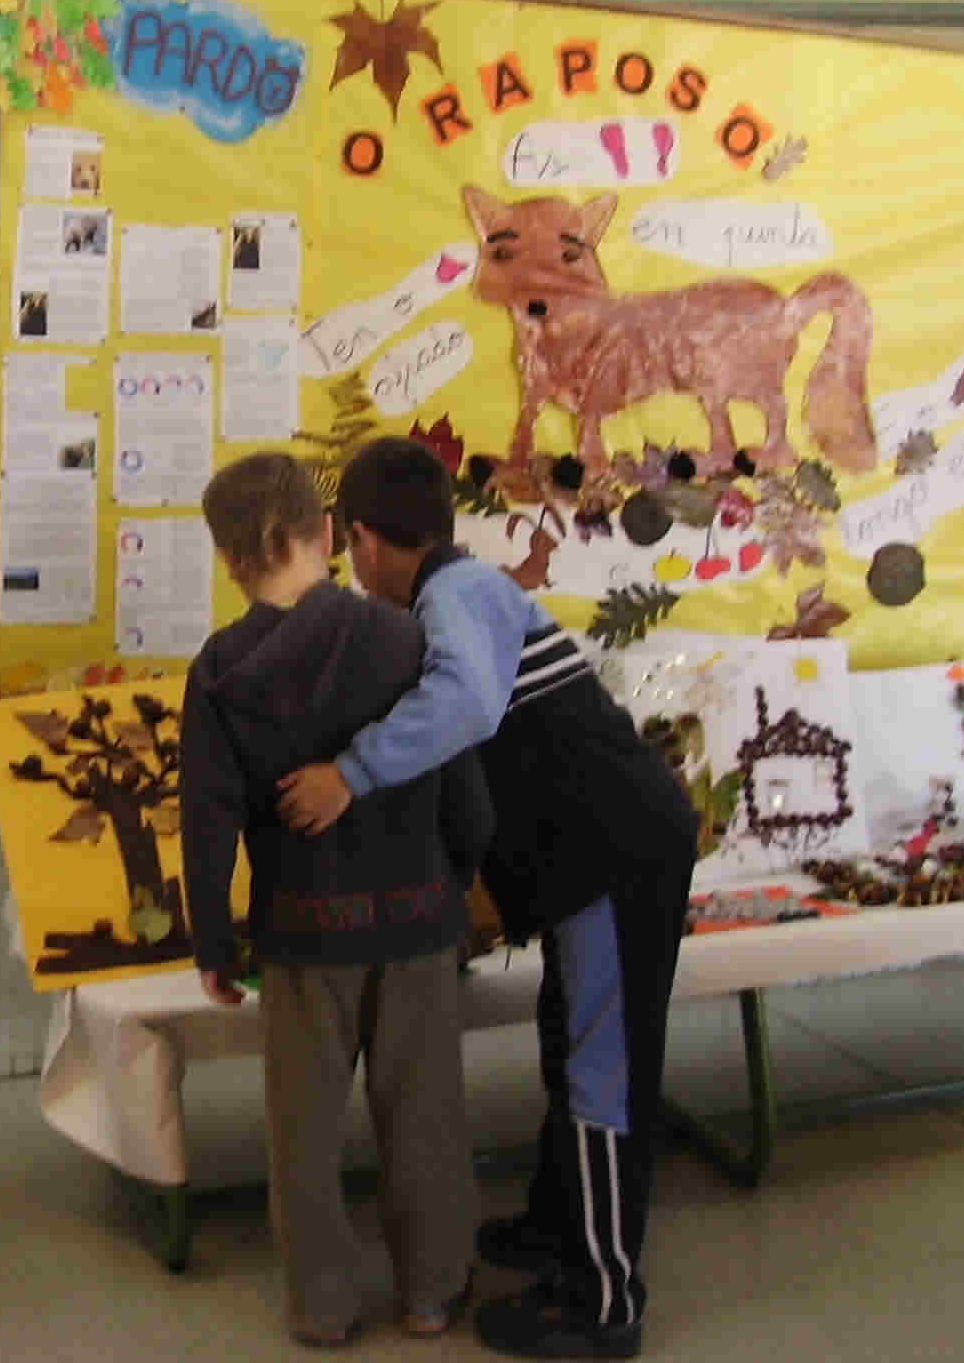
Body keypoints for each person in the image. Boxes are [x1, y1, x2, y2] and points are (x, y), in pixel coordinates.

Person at [279, 435, 698, 1360]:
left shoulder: (457, 593)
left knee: (601, 1068)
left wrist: (349, 774)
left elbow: (465, 707)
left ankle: (604, 1303)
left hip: (616, 855)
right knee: (568, 1040)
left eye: (347, 549)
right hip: (592, 858)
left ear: (363, 539)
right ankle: (557, 1226)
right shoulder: (458, 592)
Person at [182, 451, 495, 1348]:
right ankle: (431, 1291)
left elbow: (207, 820)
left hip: (300, 933)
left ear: (230, 560)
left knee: (303, 1136)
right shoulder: (406, 640)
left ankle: (321, 1307)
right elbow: (463, 786)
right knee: (424, 1118)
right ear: (326, 533)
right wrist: (460, 879)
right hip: (417, 922)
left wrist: (215, 944)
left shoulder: (220, 670)